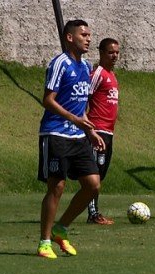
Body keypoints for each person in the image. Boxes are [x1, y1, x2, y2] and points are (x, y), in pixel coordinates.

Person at [36, 19, 105, 259]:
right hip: (55, 132)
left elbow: (80, 106)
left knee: (93, 184)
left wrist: (90, 130)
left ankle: (60, 228)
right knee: (57, 187)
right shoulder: (60, 64)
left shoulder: (86, 67)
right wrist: (73, 120)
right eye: (83, 34)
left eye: (89, 35)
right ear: (69, 38)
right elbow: (48, 100)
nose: (88, 38)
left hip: (78, 135)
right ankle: (44, 242)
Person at [85, 38, 121, 225]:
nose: (114, 56)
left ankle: (93, 210)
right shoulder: (98, 74)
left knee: (101, 173)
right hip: (97, 130)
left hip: (109, 133)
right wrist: (87, 125)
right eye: (110, 52)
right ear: (101, 53)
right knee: (95, 174)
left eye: (116, 52)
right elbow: (85, 97)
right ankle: (93, 213)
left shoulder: (112, 76)